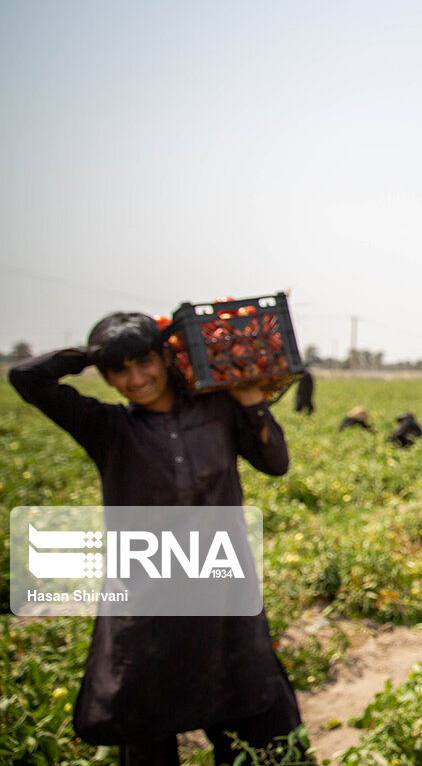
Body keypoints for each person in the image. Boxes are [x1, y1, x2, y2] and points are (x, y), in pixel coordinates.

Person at [8, 312, 312, 765]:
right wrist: (90, 355)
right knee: (148, 742)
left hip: (223, 603)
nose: (136, 378)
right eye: (120, 370)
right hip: (147, 614)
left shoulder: (217, 409)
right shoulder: (109, 429)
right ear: (107, 378)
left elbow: (275, 462)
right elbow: (25, 377)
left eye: (144, 362)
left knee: (263, 735)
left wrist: (251, 401)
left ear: (166, 358)